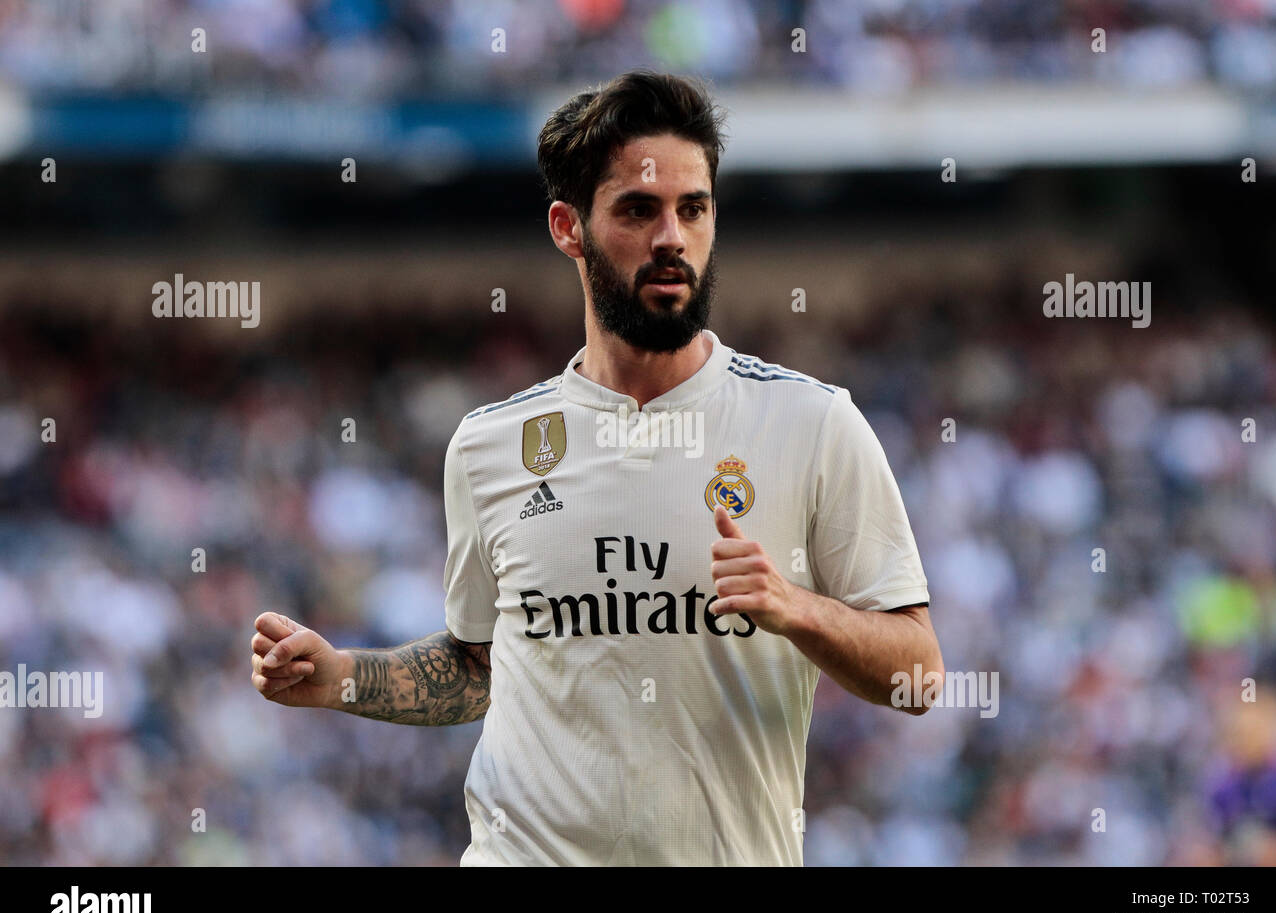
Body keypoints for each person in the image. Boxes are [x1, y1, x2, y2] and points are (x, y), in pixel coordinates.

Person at [249, 69, 942, 866]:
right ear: (567, 226)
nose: (672, 238)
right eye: (639, 210)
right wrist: (343, 677)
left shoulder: (813, 423)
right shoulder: (491, 444)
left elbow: (918, 677)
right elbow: (479, 664)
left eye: (694, 208)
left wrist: (796, 608)